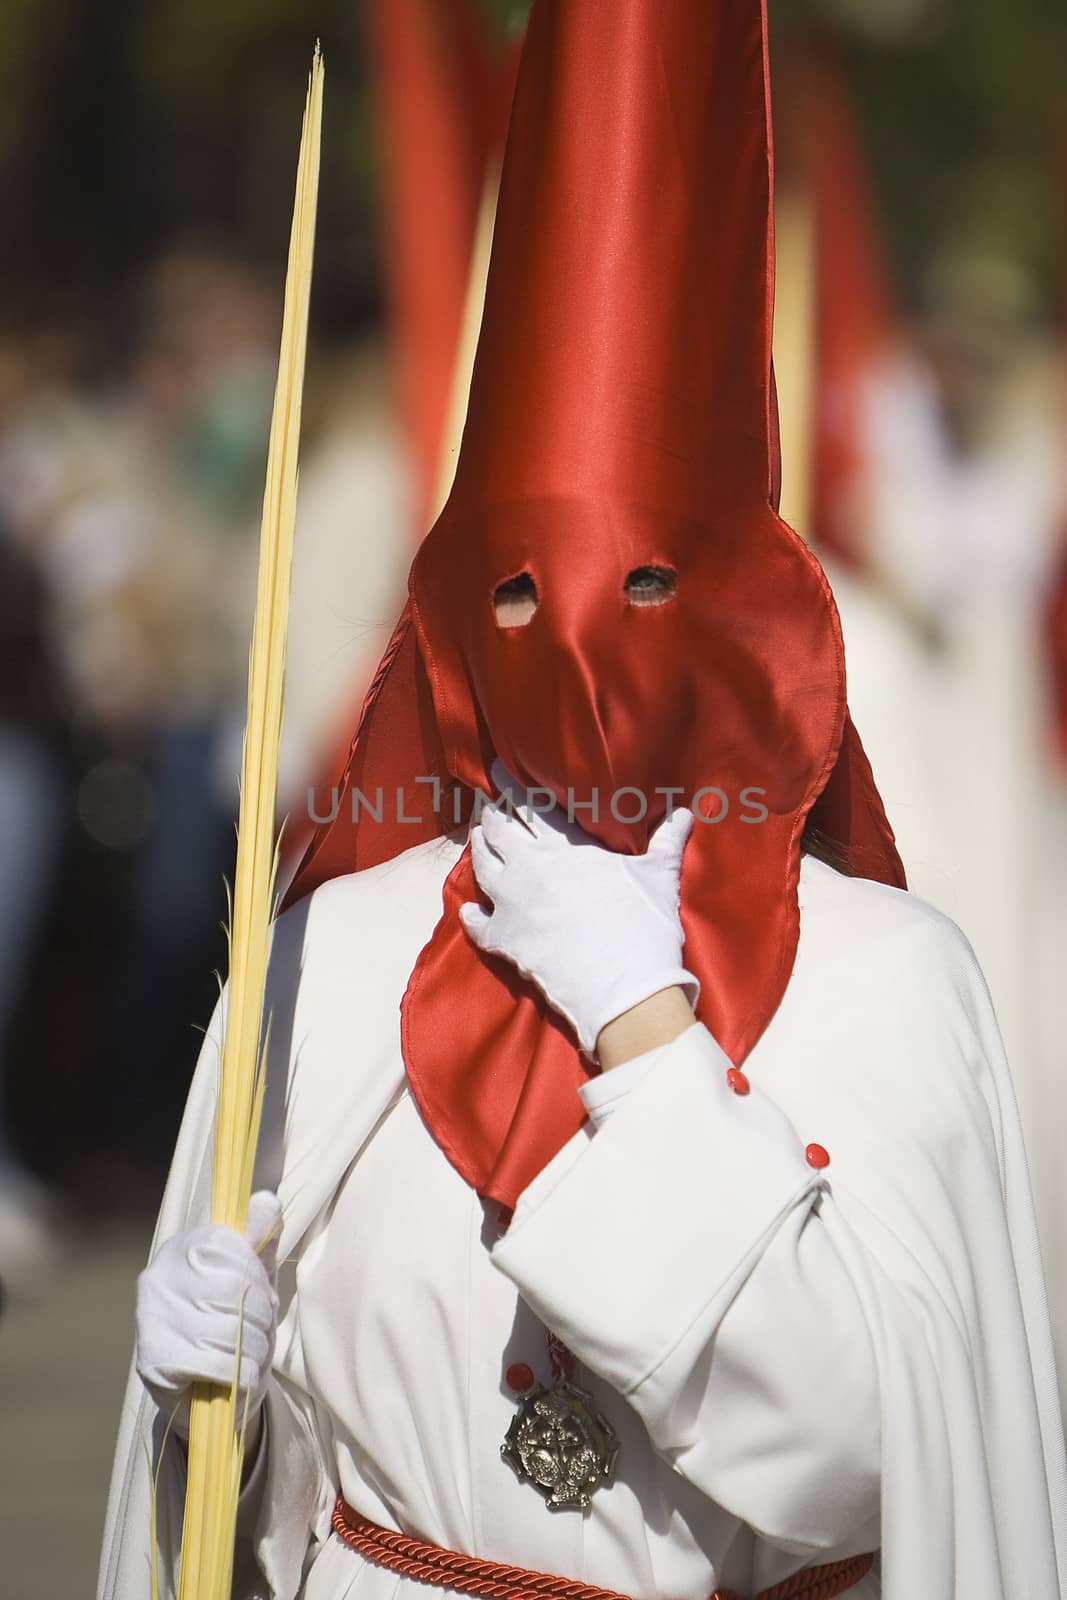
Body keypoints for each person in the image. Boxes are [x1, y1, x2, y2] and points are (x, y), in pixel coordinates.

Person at [99, 5, 1067, 1599]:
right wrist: (212, 1410)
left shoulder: (889, 980)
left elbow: (859, 1461)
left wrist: (644, 1032)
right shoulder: (329, 963)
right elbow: (246, 1524)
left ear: (749, 613)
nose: (586, 654)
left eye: (650, 583)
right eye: (518, 598)